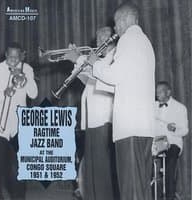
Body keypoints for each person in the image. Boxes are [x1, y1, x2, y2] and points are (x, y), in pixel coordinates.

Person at [91, 2, 155, 200]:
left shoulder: (128, 39)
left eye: (117, 22)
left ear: (127, 19)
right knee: (139, 187)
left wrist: (95, 64)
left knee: (131, 190)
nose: (115, 28)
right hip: (142, 126)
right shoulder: (143, 42)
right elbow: (124, 82)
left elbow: (114, 76)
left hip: (130, 127)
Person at [65, 27, 117, 200]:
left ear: (113, 39)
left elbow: (106, 77)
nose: (99, 40)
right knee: (93, 166)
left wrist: (80, 59)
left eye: (104, 36)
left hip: (105, 118)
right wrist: (78, 61)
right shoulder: (99, 59)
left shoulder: (115, 56)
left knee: (102, 166)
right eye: (98, 37)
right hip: (92, 119)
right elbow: (87, 78)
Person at [0, 42, 38, 199]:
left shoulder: (27, 69)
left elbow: (33, 94)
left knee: (18, 170)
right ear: (6, 54)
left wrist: (24, 76)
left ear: (21, 56)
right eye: (10, 57)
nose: (13, 60)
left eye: (16, 57)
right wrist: (4, 93)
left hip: (18, 124)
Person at [154, 81, 188, 200]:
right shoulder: (153, 106)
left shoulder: (180, 108)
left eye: (160, 92)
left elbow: (185, 131)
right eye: (156, 92)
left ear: (168, 92)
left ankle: (170, 196)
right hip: (156, 143)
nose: (157, 94)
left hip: (173, 142)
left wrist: (174, 129)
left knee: (170, 162)